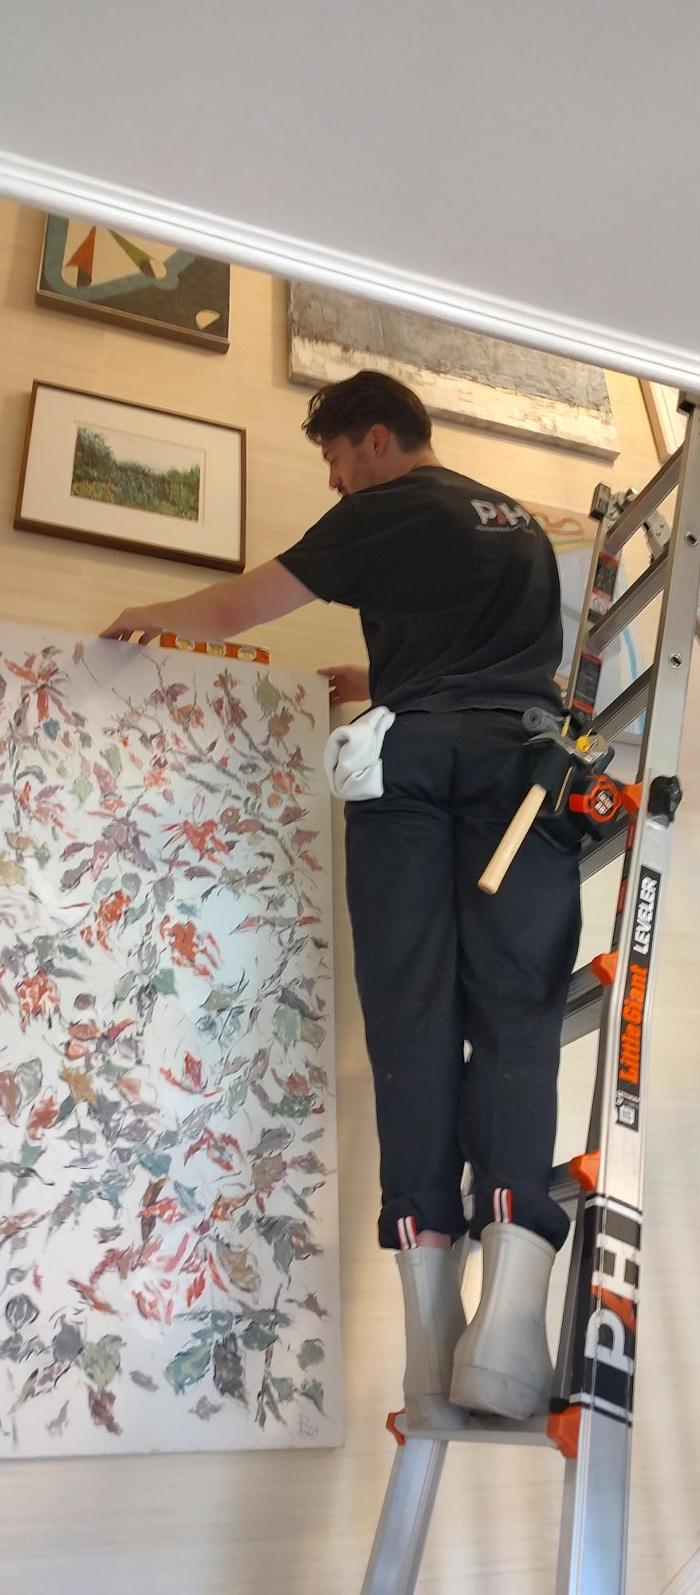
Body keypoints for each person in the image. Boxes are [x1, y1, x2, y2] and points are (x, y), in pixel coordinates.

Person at [102, 370, 581, 1429]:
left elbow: (242, 603)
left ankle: (429, 1348)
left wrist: (153, 615)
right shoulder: (519, 527)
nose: (331, 477)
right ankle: (509, 1333)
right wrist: (379, 682)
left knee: (412, 1025)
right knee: (518, 1018)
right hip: (524, 774)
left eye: (331, 456)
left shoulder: (388, 507)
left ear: (373, 437)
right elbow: (496, 667)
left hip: (410, 774)